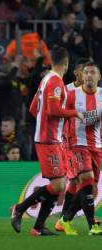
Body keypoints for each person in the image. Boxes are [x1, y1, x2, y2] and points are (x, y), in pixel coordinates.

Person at [10, 47, 84, 236]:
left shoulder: (45, 80)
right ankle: (19, 209)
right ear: (66, 64)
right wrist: (73, 113)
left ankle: (38, 227)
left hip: (51, 138)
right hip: (48, 140)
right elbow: (52, 110)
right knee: (59, 185)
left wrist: (46, 125)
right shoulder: (56, 82)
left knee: (59, 184)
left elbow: (34, 109)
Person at [56, 62, 102, 236]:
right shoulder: (71, 95)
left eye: (93, 72)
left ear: (99, 77)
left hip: (96, 147)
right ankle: (93, 226)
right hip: (76, 144)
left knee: (87, 186)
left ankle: (65, 220)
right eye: (86, 72)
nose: (89, 75)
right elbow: (58, 115)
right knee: (87, 178)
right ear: (82, 75)